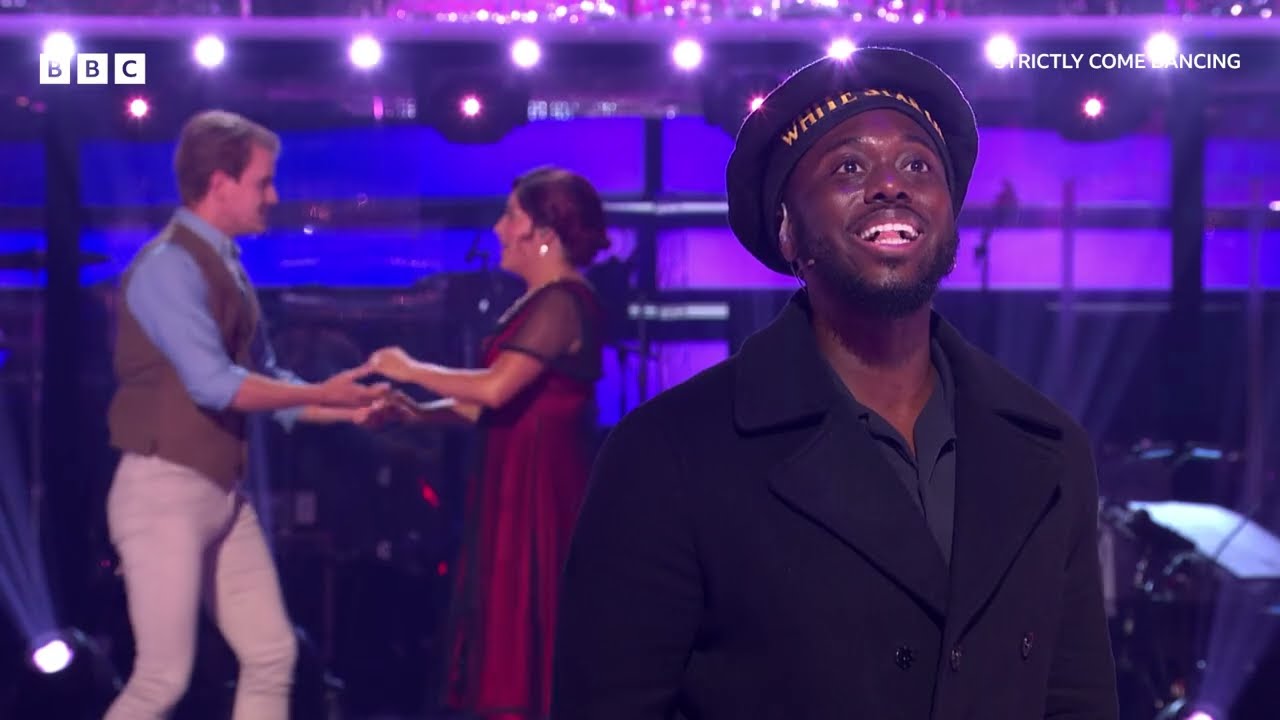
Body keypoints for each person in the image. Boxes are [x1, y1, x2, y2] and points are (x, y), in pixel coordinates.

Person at [552, 48, 1120, 719]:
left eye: (918, 165)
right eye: (849, 167)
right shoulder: (667, 454)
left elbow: (1077, 701)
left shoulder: (1049, 450)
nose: (891, 185)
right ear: (787, 232)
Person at [104, 109, 392, 720]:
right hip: (163, 491)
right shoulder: (168, 268)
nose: (274, 196)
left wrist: (345, 406)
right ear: (220, 183)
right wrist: (325, 394)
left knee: (271, 654)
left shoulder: (227, 266)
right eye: (263, 182)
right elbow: (217, 386)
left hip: (218, 493)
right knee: (161, 679)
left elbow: (269, 380)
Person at [368, 166, 608, 720]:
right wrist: (415, 413)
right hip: (513, 485)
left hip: (540, 492)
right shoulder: (538, 302)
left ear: (543, 231)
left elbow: (497, 388)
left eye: (510, 216)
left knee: (531, 615)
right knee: (506, 615)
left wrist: (410, 369)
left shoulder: (562, 302)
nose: (499, 229)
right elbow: (486, 405)